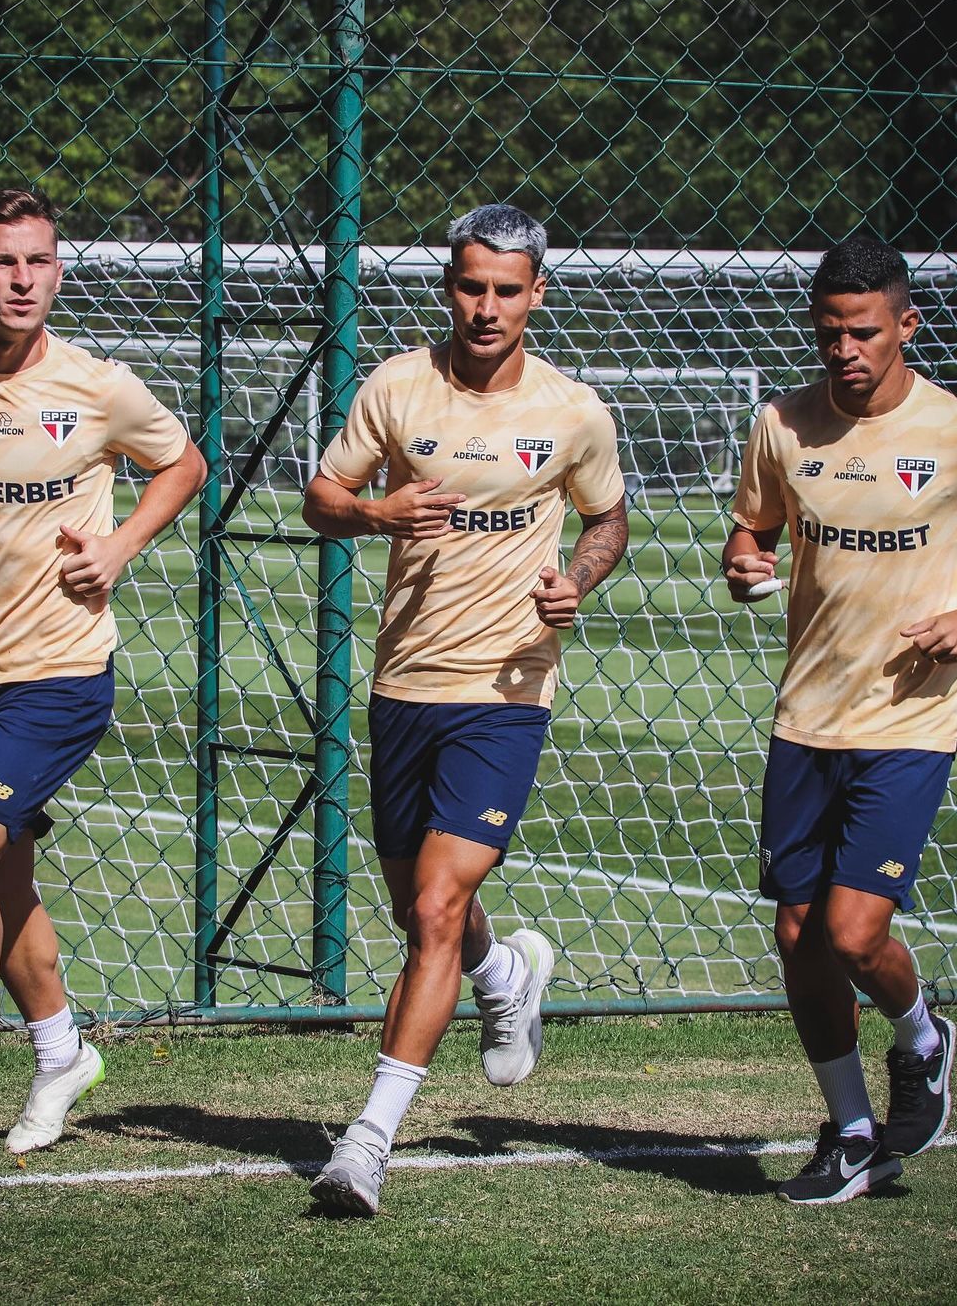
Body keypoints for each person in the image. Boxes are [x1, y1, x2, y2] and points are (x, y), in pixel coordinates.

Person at [302, 203, 629, 1216]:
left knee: (437, 906)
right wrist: (374, 511)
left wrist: (577, 580)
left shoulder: (573, 409)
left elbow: (607, 518)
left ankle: (366, 1141)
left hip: (508, 688)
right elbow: (321, 495)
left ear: (537, 294)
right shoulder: (398, 386)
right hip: (405, 684)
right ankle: (504, 976)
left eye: (507, 290)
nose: (487, 307)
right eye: (472, 286)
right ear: (450, 288)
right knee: (419, 907)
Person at [0, 188, 206, 1160]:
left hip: (60, 676)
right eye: (1, 262)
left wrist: (119, 545)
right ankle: (63, 1051)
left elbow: (183, 465)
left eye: (36, 261)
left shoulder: (98, 386)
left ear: (57, 272)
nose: (20, 280)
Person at [723, 234, 957, 1206]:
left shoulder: (953, 428)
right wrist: (744, 560)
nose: (844, 349)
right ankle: (854, 1130)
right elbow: (752, 528)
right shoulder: (781, 423)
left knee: (855, 933)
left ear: (907, 324)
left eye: (863, 331)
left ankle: (922, 1037)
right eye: (829, 331)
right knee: (797, 932)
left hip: (910, 718)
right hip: (806, 716)